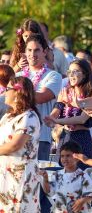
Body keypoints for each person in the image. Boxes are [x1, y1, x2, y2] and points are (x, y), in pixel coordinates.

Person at [44, 59, 92, 169]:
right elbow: (58, 108)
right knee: (61, 172)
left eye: (75, 71)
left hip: (81, 138)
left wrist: (57, 121)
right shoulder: (65, 91)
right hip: (65, 137)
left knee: (81, 173)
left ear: (84, 74)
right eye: (69, 72)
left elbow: (81, 119)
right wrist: (51, 118)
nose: (71, 75)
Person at [17, 33, 62, 160]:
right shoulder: (18, 76)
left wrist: (16, 93)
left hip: (41, 136)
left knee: (40, 177)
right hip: (17, 135)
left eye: (37, 50)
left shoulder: (53, 76)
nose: (32, 54)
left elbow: (41, 97)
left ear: (45, 51)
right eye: (29, 50)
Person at [0, 76, 41, 212]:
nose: (4, 92)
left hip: (21, 175)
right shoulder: (8, 116)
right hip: (5, 173)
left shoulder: (28, 117)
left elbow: (15, 145)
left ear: (18, 92)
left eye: (7, 89)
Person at [40, 141, 92, 213]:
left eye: (68, 156)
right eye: (62, 156)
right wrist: (45, 179)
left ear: (77, 158)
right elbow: (49, 192)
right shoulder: (56, 174)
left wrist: (81, 201)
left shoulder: (83, 176)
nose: (64, 159)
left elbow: (90, 195)